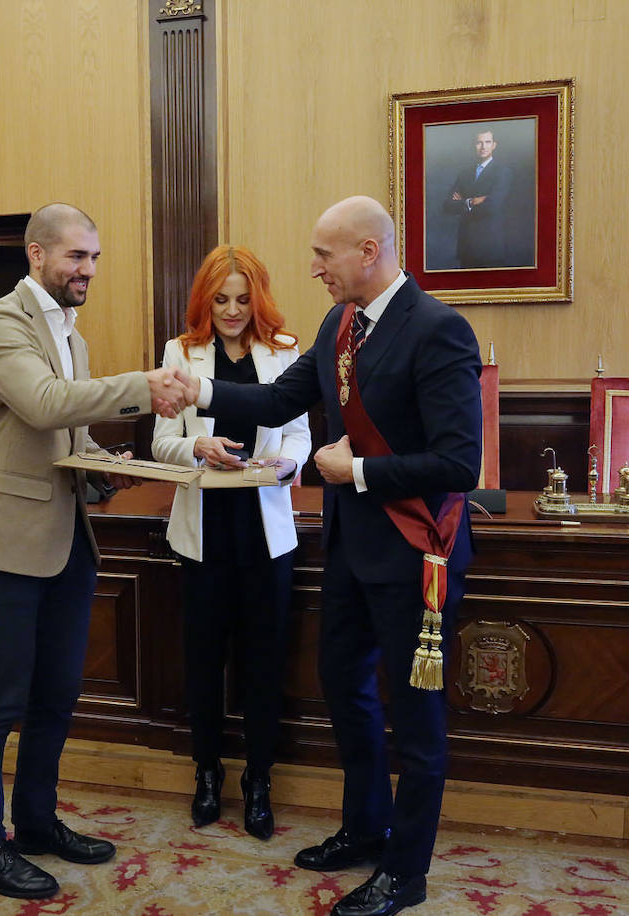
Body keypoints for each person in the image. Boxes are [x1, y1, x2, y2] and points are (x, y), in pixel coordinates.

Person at [176, 196, 482, 916]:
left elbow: (460, 462)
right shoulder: (338, 323)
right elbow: (279, 398)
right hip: (350, 552)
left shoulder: (439, 330)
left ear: (368, 252)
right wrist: (198, 389)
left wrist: (361, 472)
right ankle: (363, 830)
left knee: (415, 722)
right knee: (344, 690)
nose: (313, 267)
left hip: (414, 553)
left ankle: (406, 872)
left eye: (324, 254)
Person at [0, 203, 190, 900]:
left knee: (56, 698)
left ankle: (37, 824)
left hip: (65, 544)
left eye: (94, 258)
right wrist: (144, 386)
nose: (87, 270)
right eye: (75, 256)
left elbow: (67, 437)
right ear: (36, 255)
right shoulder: (0, 325)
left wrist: (107, 461)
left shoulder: (73, 336)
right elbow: (47, 404)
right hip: (2, 545)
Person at [151, 244, 310, 840]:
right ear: (204, 300)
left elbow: (298, 437)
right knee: (203, 662)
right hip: (203, 533)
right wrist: (196, 446)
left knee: (263, 664)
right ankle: (208, 773)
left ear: (260, 298)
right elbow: (160, 441)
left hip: (265, 532)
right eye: (221, 299)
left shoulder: (285, 352)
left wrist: (282, 467)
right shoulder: (180, 352)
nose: (233, 310)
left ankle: (259, 780)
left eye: (244, 299)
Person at [441, 129, 512, 268]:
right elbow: (447, 205)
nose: (483, 146)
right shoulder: (464, 174)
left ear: (494, 145)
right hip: (466, 245)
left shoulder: (502, 172)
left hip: (490, 246)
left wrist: (462, 203)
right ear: (474, 145)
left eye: (487, 142)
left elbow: (493, 206)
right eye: (479, 142)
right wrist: (471, 201)